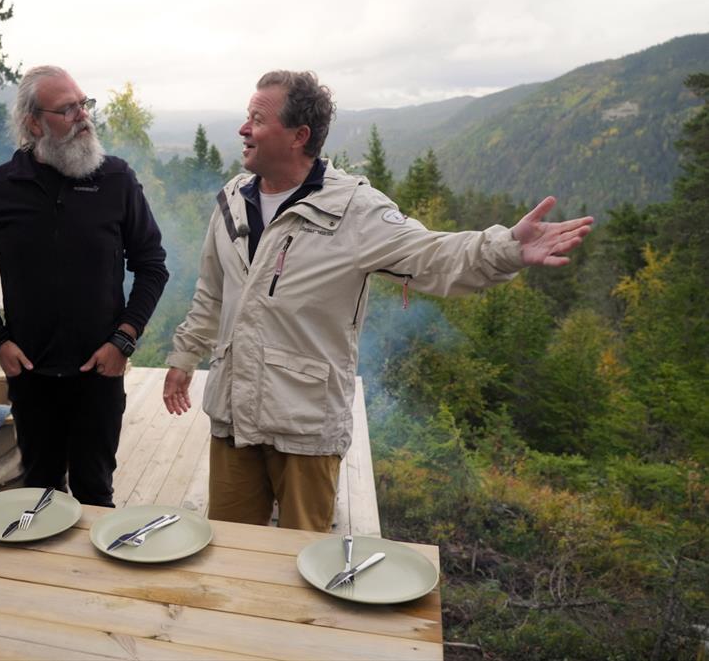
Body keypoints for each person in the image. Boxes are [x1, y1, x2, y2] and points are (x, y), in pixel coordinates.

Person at [162, 70, 593, 531]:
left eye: (257, 119)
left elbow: (433, 255)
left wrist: (506, 247)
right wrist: (185, 356)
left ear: (298, 136)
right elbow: (212, 289)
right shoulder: (232, 198)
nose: (243, 129)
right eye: (246, 117)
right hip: (232, 418)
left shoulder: (354, 211)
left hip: (304, 425)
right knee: (230, 550)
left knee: (300, 562)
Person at [0, 65, 169, 506]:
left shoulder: (116, 179)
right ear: (34, 123)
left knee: (95, 494)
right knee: (39, 494)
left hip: (99, 372)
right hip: (31, 376)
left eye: (84, 104)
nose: (83, 116)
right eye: (67, 109)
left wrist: (124, 339)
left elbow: (152, 265)